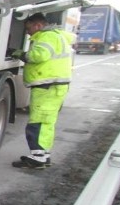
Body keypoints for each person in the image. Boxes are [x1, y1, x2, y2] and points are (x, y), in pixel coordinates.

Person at [9, 12, 76, 169]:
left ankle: (38, 157)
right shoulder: (57, 35)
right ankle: (42, 155)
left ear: (38, 25)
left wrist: (19, 53)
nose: (27, 32)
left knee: (37, 122)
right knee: (46, 122)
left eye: (28, 28)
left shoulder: (46, 37)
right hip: (55, 86)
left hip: (47, 86)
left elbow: (38, 56)